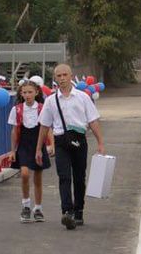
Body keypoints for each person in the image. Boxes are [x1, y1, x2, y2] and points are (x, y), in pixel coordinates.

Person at [37, 63, 106, 230]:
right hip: (61, 141)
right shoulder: (51, 101)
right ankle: (67, 211)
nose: (62, 79)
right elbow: (44, 126)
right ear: (55, 78)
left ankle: (79, 210)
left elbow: (93, 121)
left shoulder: (82, 97)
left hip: (79, 140)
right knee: (64, 176)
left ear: (70, 76)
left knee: (79, 177)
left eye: (64, 75)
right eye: (58, 76)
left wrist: (101, 143)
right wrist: (39, 148)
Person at [8, 79, 52, 222]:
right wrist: (12, 150)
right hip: (24, 145)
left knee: (38, 178)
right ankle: (26, 205)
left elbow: (47, 127)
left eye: (30, 92)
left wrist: (51, 144)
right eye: (24, 92)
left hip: (38, 145)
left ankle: (38, 208)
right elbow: (15, 131)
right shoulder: (17, 109)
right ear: (21, 93)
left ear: (37, 92)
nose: (27, 95)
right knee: (25, 174)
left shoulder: (42, 108)